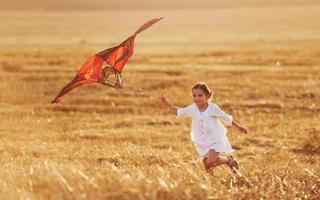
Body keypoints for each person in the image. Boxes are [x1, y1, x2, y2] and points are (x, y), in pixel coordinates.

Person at [159, 82, 247, 173]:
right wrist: (167, 104)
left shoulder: (213, 108)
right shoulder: (193, 108)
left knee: (211, 161)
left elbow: (225, 117)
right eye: (194, 96)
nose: (196, 98)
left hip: (215, 139)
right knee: (208, 166)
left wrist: (239, 127)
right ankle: (218, 174)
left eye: (200, 95)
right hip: (201, 141)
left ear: (207, 96)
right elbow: (178, 112)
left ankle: (228, 160)